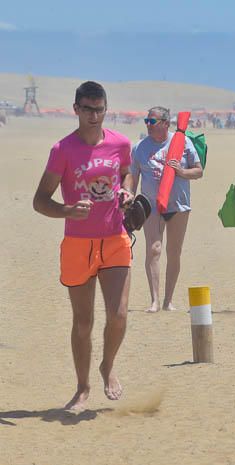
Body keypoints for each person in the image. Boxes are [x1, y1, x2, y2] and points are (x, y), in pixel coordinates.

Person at [32, 81, 134, 410]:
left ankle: (108, 366)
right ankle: (82, 387)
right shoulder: (62, 150)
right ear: (75, 109)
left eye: (99, 109)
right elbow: (40, 201)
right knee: (84, 322)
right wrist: (67, 210)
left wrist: (127, 192)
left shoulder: (120, 143)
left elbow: (127, 172)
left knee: (118, 316)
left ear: (106, 109)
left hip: (115, 238)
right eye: (88, 109)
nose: (94, 115)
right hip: (77, 243)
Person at [131, 106, 203, 312]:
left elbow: (199, 171)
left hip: (178, 205)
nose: (148, 124)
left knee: (174, 252)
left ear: (165, 123)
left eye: (152, 121)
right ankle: (154, 300)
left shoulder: (183, 142)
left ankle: (167, 300)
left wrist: (181, 171)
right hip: (151, 205)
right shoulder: (139, 148)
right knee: (153, 250)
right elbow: (133, 178)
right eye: (146, 120)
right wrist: (128, 200)